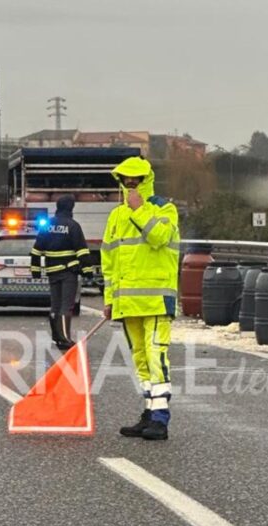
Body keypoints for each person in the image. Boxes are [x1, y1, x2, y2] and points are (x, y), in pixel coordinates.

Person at [101, 157, 180, 441]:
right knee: (140, 360)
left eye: (135, 180)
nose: (130, 185)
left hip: (157, 300)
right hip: (127, 303)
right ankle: (149, 412)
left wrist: (139, 211)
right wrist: (109, 299)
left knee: (156, 356)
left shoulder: (164, 209)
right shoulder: (115, 216)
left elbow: (158, 237)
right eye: (125, 180)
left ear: (146, 180)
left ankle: (161, 419)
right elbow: (108, 261)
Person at [30, 194, 90, 350]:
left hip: (52, 272)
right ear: (71, 207)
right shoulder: (73, 225)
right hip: (68, 271)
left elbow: (36, 251)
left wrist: (35, 271)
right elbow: (82, 250)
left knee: (55, 305)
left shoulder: (47, 225)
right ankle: (64, 338)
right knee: (66, 306)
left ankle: (57, 336)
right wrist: (87, 270)